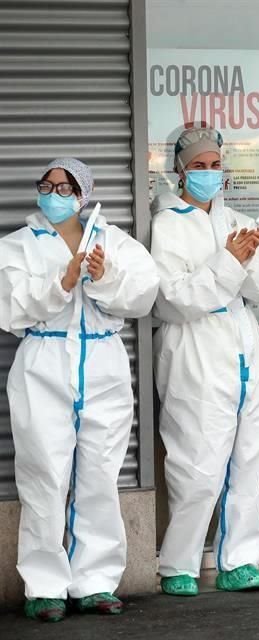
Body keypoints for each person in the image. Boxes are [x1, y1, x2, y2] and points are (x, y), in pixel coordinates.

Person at [0, 158, 158, 622]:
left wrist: (105, 276)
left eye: (65, 187)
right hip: (43, 362)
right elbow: (9, 310)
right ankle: (45, 586)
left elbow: (143, 295)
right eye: (46, 185)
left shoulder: (114, 241)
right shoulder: (15, 246)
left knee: (100, 475)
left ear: (83, 194)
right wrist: (63, 282)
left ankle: (96, 581)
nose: (54, 193)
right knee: (44, 476)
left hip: (104, 361)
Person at [152, 127, 259, 596]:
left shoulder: (236, 220)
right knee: (197, 461)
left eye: (215, 164)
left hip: (243, 343)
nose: (209, 173)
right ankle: (179, 563)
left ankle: (240, 559)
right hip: (195, 348)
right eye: (199, 165)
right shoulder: (166, 225)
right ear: (180, 170)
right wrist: (229, 262)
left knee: (249, 458)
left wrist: (244, 259)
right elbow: (173, 299)